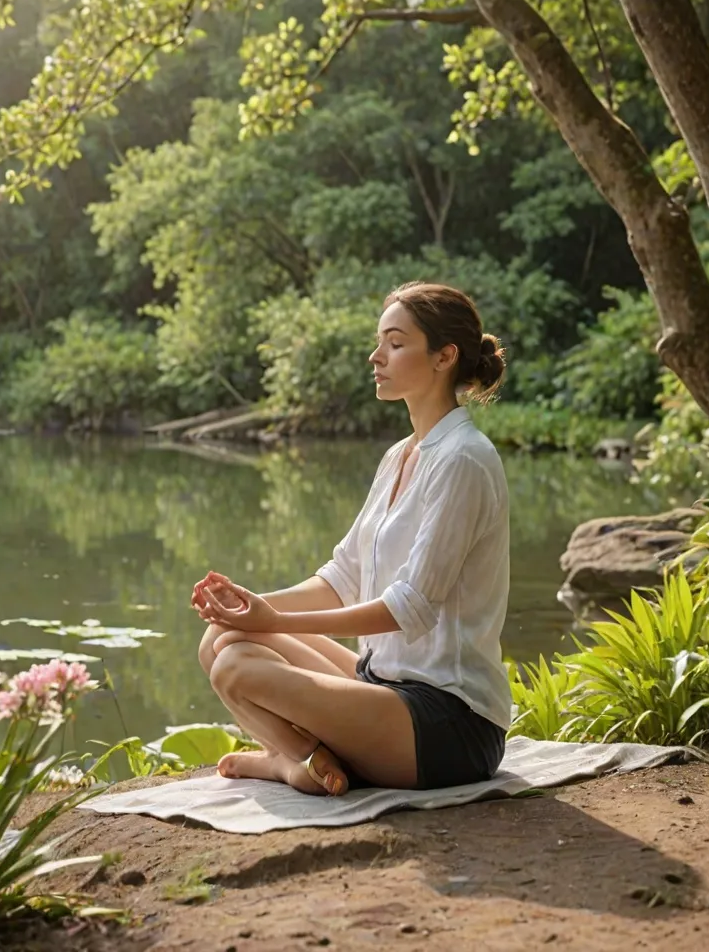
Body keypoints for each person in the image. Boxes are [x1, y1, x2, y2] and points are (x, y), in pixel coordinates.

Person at [192, 281, 511, 797]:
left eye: (395, 342)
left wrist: (275, 620)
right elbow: (344, 578)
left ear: (444, 357)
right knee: (222, 640)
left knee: (235, 667)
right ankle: (303, 757)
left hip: (447, 722)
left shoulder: (464, 460)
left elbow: (408, 608)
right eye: (379, 341)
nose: (375, 355)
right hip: (379, 688)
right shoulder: (400, 456)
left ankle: (292, 762)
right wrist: (247, 608)